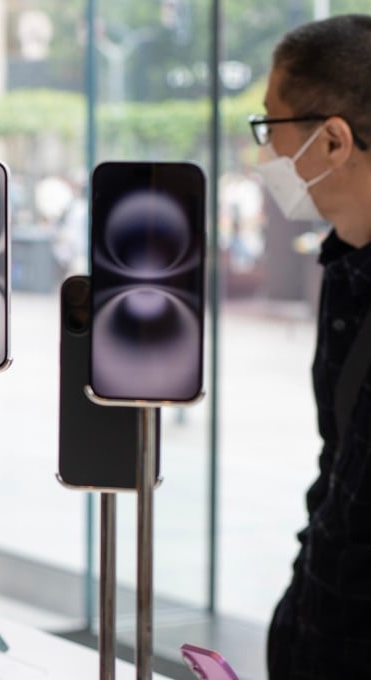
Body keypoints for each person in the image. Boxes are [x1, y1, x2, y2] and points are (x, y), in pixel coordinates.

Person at [256, 14, 371, 679]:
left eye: (269, 128)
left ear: (332, 140)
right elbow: (337, 481)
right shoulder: (344, 272)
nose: (264, 156)